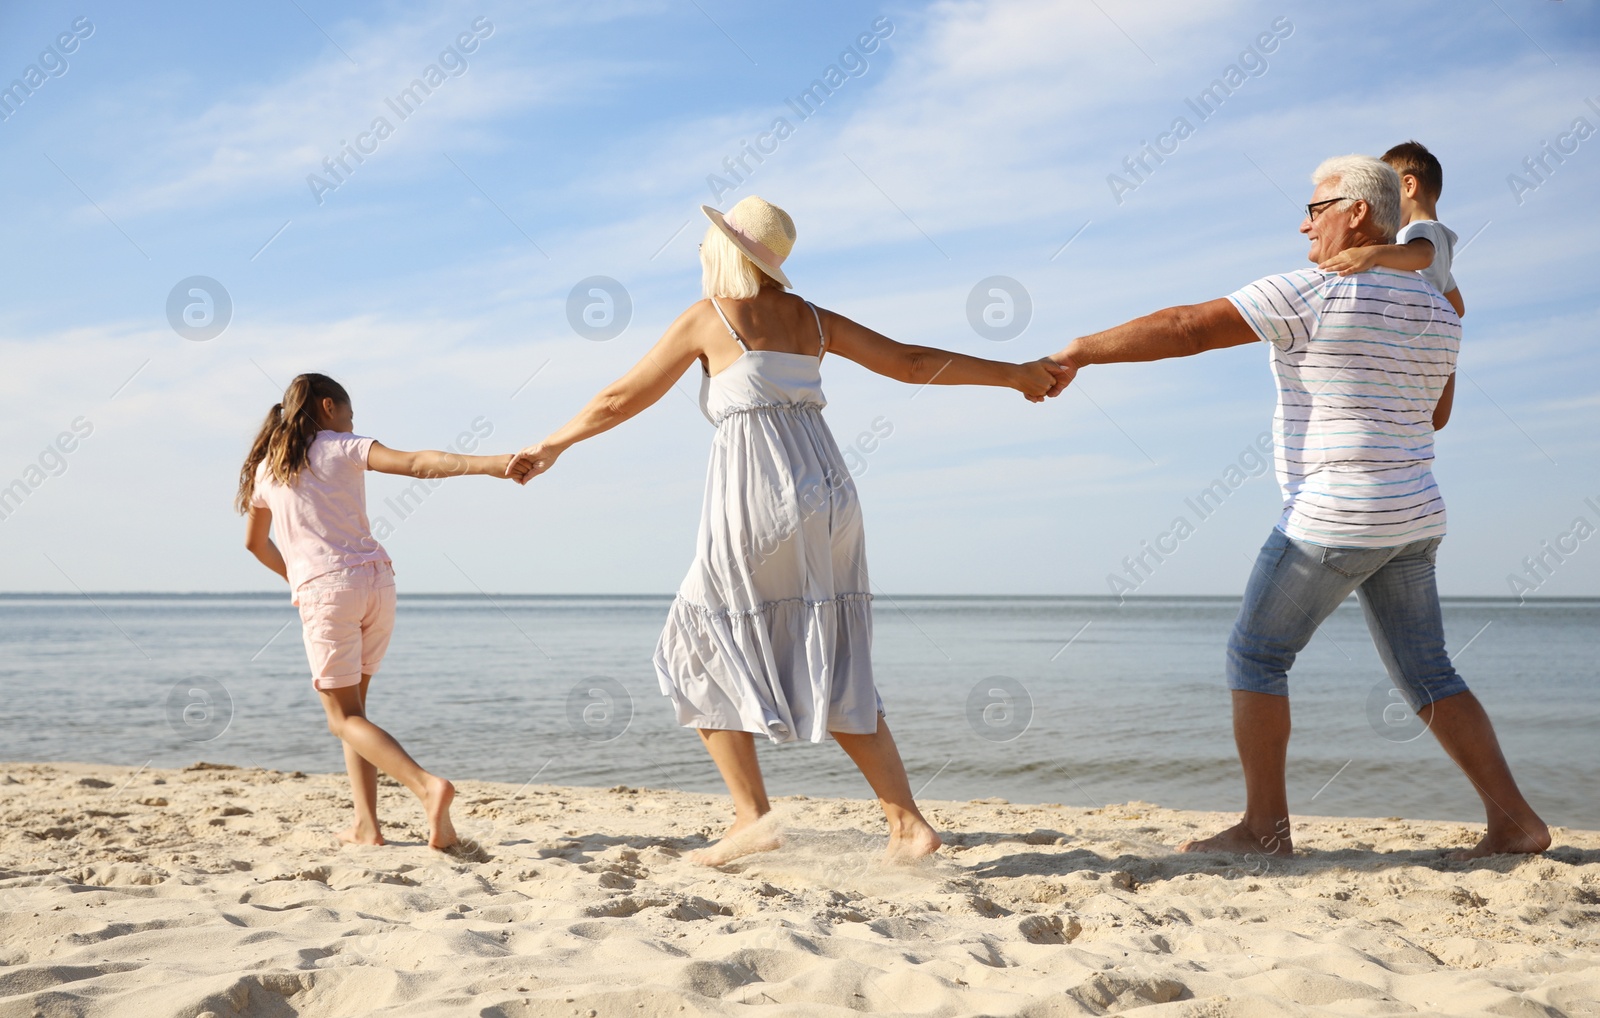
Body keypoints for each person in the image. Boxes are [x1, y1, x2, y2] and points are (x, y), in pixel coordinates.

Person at [508, 196, 1066, 864]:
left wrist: (551, 445)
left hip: (760, 494)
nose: (697, 253)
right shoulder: (810, 318)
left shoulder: (708, 319)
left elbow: (618, 398)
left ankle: (753, 818)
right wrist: (1017, 376)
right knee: (832, 651)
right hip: (830, 492)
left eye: (704, 243)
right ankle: (906, 823)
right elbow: (913, 363)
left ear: (725, 252)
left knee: (691, 641)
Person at [1046, 155, 1549, 860]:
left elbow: (1189, 327)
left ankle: (1264, 830)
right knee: (1431, 671)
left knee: (1256, 655)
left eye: (1315, 209)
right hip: (1414, 516)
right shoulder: (1440, 309)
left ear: (1358, 213)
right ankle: (1516, 822)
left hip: (1335, 515)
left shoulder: (1313, 290)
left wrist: (1083, 351)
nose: (1304, 223)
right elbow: (1436, 414)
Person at [237, 372, 517, 850]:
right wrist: (492, 464)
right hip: (377, 582)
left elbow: (255, 544)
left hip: (330, 592)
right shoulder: (341, 447)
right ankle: (367, 826)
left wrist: (302, 579)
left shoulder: (268, 470)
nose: (350, 423)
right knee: (357, 714)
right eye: (349, 414)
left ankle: (428, 787)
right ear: (328, 407)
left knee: (341, 718)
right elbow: (414, 462)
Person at [1318, 140, 1464, 426]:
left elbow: (1421, 255)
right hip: (1425, 337)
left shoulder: (1420, 230)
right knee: (1430, 418)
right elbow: (1457, 307)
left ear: (1409, 186)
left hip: (1403, 329)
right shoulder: (1442, 243)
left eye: (1387, 194)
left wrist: (1370, 254)